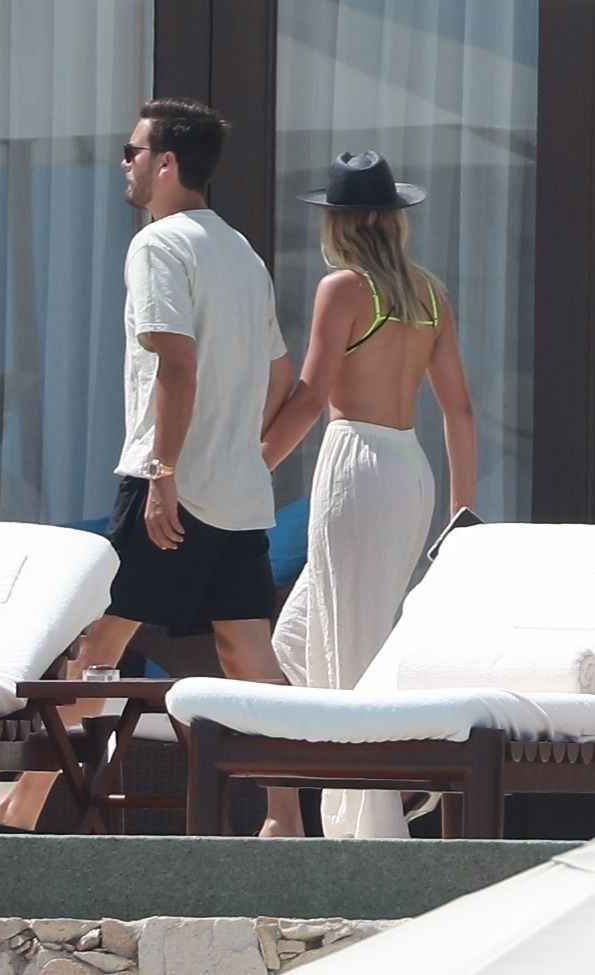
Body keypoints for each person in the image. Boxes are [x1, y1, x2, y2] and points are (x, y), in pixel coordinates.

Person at [0, 97, 301, 837]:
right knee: (249, 656)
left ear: (166, 163)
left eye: (133, 152)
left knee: (98, 645)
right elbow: (279, 374)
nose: (124, 164)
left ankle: (19, 811)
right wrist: (237, 448)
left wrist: (164, 471)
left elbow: (176, 361)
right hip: (237, 492)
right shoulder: (240, 252)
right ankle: (284, 820)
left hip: (170, 487)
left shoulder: (158, 245)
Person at [263, 151, 477, 838]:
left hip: (356, 462)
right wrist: (462, 511)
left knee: (351, 640)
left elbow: (309, 398)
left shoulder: (343, 288)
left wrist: (253, 470)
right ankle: (392, 768)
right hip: (410, 467)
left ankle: (376, 819)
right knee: (300, 637)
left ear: (338, 223)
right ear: (392, 219)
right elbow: (459, 409)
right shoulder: (427, 292)